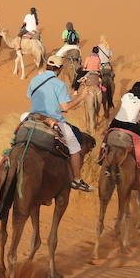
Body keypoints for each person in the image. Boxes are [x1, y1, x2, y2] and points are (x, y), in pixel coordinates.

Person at [27, 54, 93, 191]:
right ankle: (77, 180)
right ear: (60, 69)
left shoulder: (35, 80)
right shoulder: (59, 84)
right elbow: (65, 107)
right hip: (52, 120)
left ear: (47, 66)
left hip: (33, 117)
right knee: (75, 146)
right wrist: (81, 96)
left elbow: (30, 96)